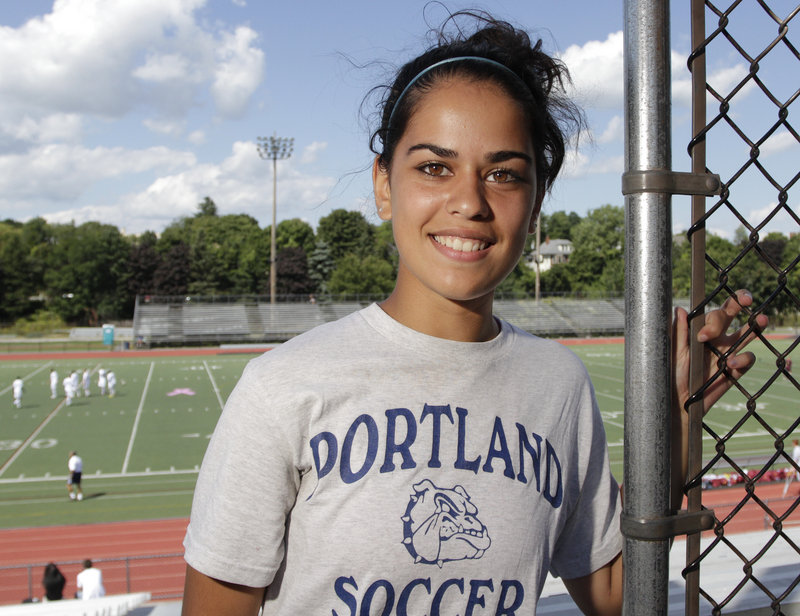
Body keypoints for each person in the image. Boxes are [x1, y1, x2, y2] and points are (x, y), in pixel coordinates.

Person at [181, 11, 766, 615]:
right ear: (384, 184)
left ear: (535, 203)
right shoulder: (282, 385)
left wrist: (669, 427)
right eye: (435, 167)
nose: (469, 201)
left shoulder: (558, 384)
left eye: (504, 175)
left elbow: (616, 597)